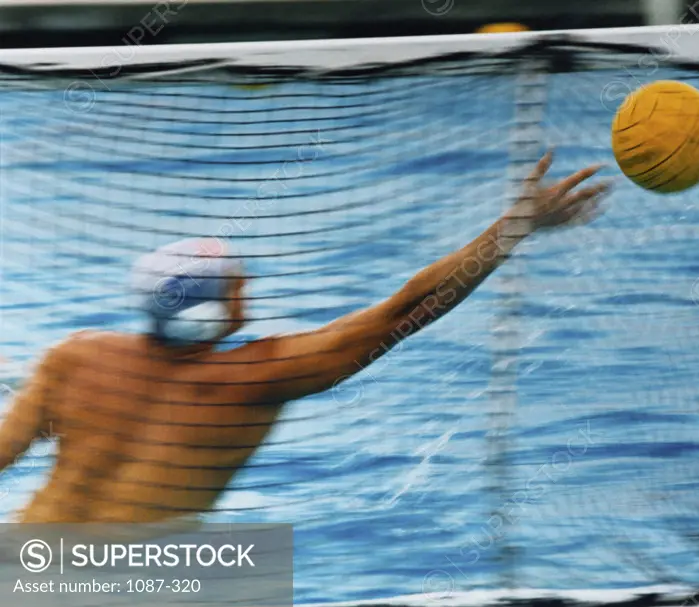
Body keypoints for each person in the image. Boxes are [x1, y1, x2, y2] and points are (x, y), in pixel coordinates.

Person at [0, 151, 609, 524]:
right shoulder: (253, 379)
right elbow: (408, 311)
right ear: (211, 316)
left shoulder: (72, 359)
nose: (249, 286)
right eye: (235, 286)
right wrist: (511, 229)